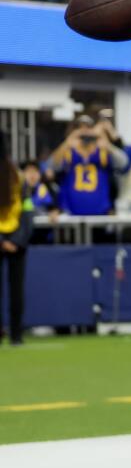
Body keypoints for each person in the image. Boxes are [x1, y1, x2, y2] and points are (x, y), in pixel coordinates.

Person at [0, 134, 31, 345]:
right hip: (16, 239)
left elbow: (27, 209)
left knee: (15, 290)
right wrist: (17, 240)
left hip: (9, 239)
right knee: (16, 289)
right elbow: (28, 212)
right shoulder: (18, 175)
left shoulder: (17, 176)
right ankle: (16, 335)